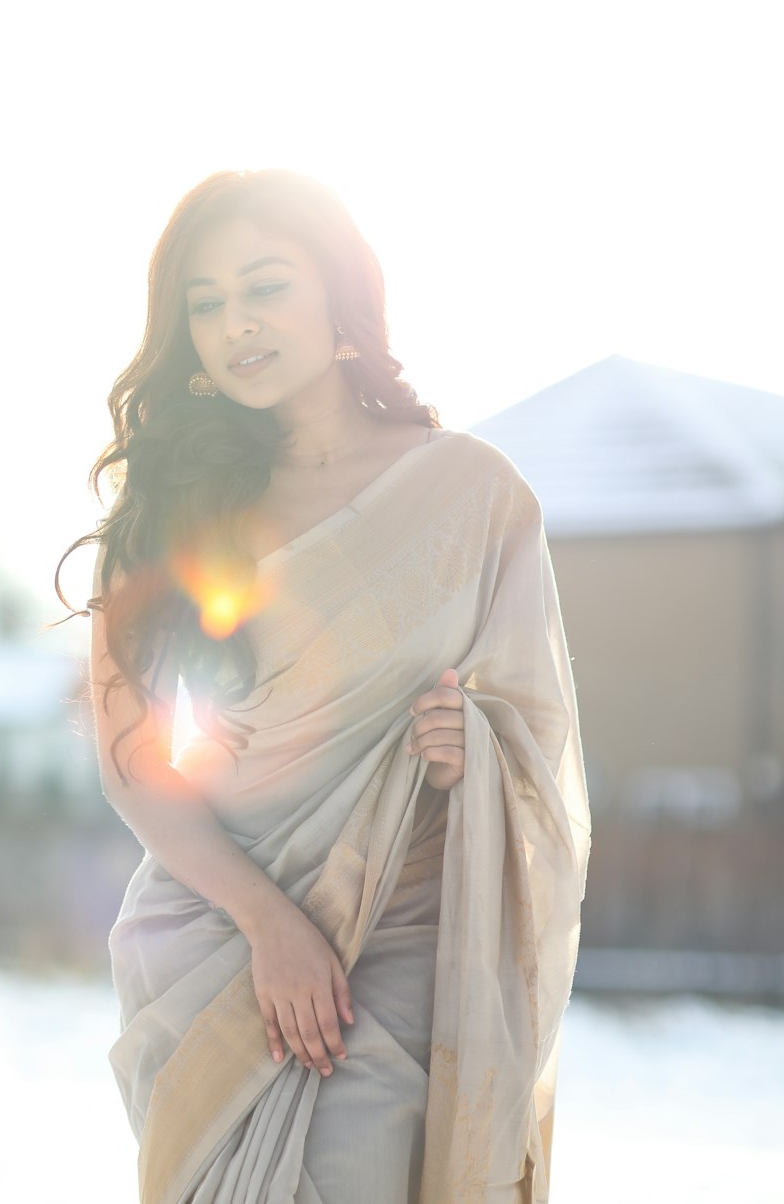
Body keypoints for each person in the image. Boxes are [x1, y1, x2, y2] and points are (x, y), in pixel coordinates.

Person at [54, 167, 591, 1204]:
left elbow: (538, 739)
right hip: (212, 931)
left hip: (399, 937)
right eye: (203, 305)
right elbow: (134, 764)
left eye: (264, 287)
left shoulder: (471, 496)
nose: (234, 325)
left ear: (339, 292)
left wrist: (467, 743)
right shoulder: (171, 504)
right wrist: (269, 924)